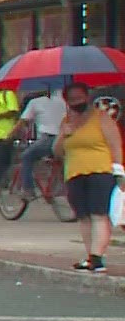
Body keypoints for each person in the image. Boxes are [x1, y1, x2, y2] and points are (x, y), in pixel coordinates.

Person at [54, 81, 124, 273]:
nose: (77, 102)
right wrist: (63, 135)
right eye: (72, 99)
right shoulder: (66, 121)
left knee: (99, 215)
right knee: (84, 217)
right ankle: (89, 256)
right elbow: (58, 152)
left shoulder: (102, 118)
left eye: (80, 97)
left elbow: (116, 145)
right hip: (75, 173)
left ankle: (97, 257)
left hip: (100, 172)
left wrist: (119, 172)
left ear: (87, 97)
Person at [16, 87, 68, 200]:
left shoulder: (35, 102)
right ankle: (52, 187)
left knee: (27, 156)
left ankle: (28, 190)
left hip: (48, 139)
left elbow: (23, 121)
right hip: (65, 138)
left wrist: (9, 136)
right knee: (55, 161)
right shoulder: (65, 102)